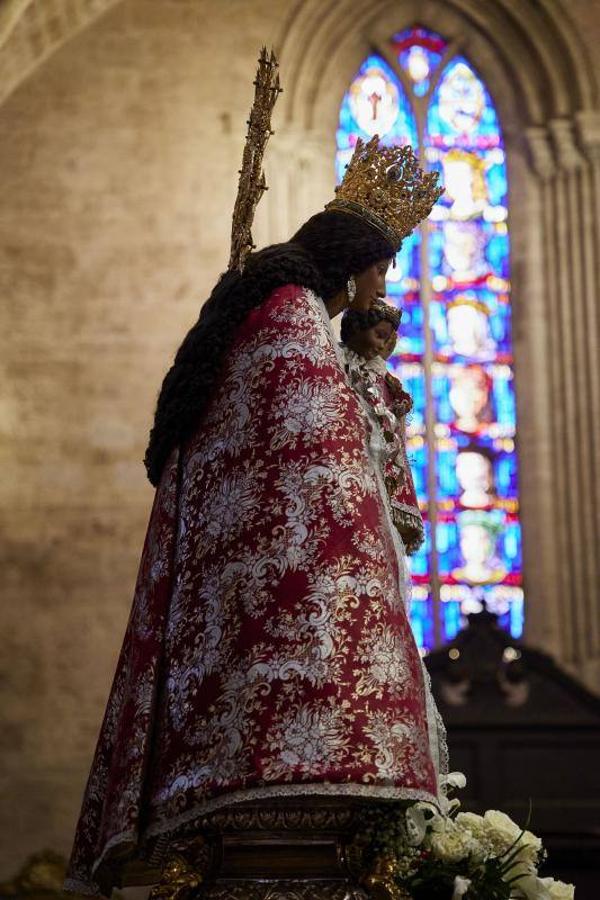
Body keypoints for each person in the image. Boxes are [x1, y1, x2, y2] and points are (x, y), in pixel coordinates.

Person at [65, 135, 445, 896]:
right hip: (273, 606)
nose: (382, 285)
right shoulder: (292, 315)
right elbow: (318, 460)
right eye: (380, 266)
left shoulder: (287, 309)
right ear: (351, 259)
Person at [340, 301, 425, 555]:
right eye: (378, 335)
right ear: (356, 328)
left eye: (386, 339)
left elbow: (395, 423)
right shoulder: (339, 363)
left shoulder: (384, 379)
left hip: (382, 461)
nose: (380, 345)